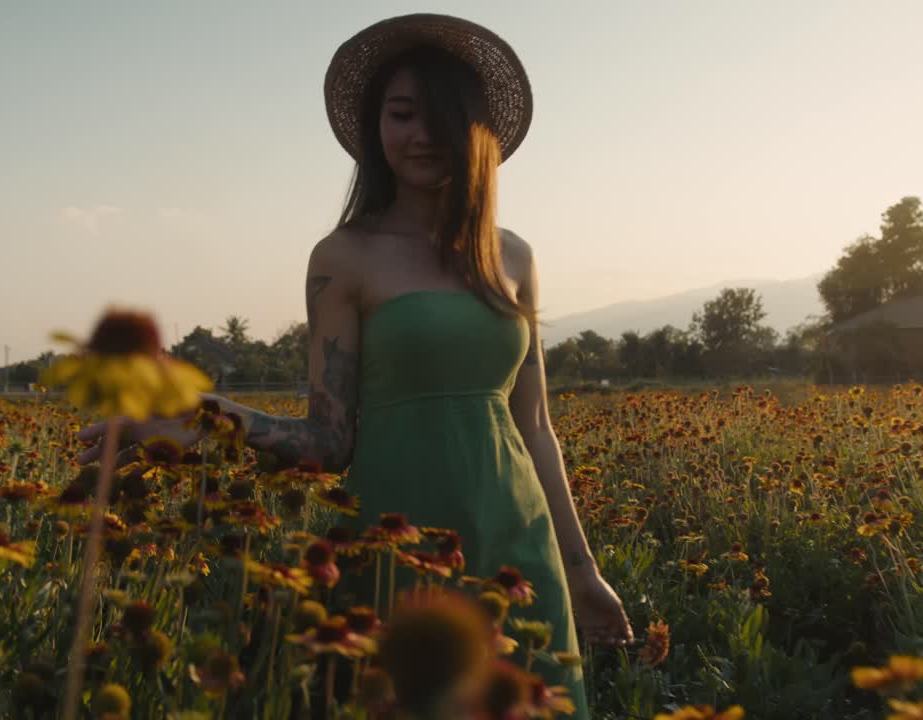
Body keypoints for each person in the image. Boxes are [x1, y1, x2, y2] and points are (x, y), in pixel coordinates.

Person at [78, 13, 631, 716]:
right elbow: (327, 440)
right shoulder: (342, 259)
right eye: (401, 115)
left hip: (517, 546)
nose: (421, 135)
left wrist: (582, 572)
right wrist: (190, 420)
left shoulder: (514, 256)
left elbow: (537, 427)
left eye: (439, 117)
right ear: (375, 127)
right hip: (393, 543)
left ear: (475, 129)